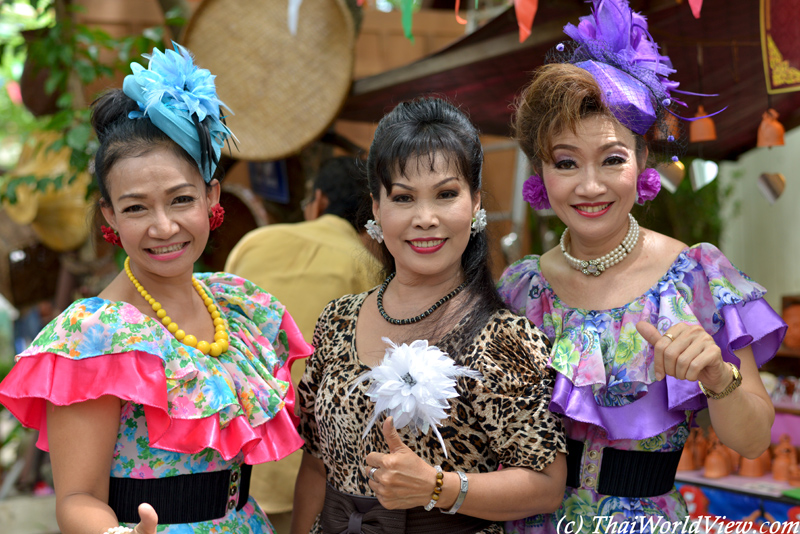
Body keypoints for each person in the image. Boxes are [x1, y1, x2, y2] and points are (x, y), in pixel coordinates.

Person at [497, 1, 787, 531]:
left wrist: (718, 378)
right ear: (541, 169)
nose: (589, 186)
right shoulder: (520, 290)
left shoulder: (697, 277)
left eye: (612, 158)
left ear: (643, 160)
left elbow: (752, 441)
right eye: (566, 162)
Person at [0, 44, 312, 534]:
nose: (163, 227)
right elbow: (78, 498)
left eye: (181, 200)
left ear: (211, 195)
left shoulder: (237, 307)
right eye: (136, 208)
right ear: (109, 215)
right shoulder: (94, 336)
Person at [292, 96, 567, 534]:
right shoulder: (337, 320)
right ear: (377, 209)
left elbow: (546, 485)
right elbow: (315, 465)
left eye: (445, 194)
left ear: (475, 202)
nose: (425, 218)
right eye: (403, 197)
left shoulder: (505, 338)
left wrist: (437, 487)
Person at [224, 156, 381, 534]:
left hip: (237, 459)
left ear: (319, 201)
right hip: (316, 473)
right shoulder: (368, 267)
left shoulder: (253, 242)